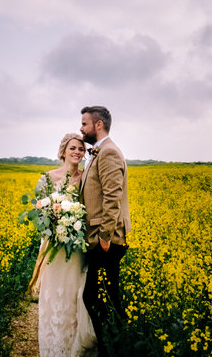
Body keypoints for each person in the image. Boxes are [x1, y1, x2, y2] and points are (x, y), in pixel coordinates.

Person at [33, 132, 98, 357]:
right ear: (63, 151)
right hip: (54, 247)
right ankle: (53, 348)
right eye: (72, 148)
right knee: (53, 295)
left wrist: (74, 228)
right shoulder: (48, 178)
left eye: (81, 149)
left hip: (77, 247)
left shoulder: (86, 178)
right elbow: (38, 210)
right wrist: (53, 225)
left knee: (74, 294)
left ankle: (73, 348)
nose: (77, 152)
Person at [79, 106, 131, 356]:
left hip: (107, 240)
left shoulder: (108, 152)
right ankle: (114, 346)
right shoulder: (100, 151)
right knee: (105, 296)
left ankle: (114, 348)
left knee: (96, 297)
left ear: (98, 125)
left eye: (84, 124)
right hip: (102, 238)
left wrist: (104, 238)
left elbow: (113, 197)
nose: (81, 128)